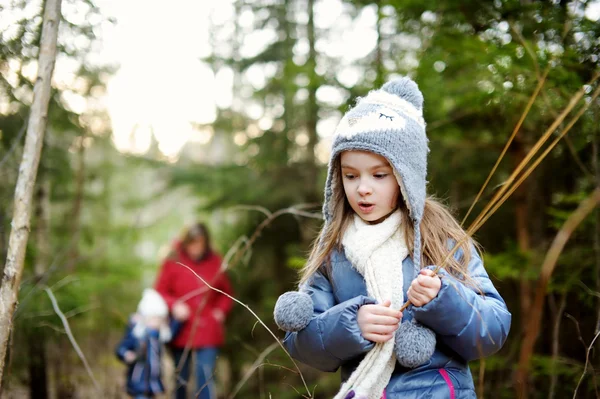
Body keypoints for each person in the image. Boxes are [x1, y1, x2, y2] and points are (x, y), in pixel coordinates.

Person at [280, 77, 512, 398]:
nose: (362, 187)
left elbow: (493, 330)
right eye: (350, 175)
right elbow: (300, 342)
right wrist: (350, 325)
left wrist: (443, 299)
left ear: (406, 175)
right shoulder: (335, 249)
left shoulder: (441, 238)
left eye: (378, 175)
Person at [154, 222, 233, 399]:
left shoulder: (215, 261)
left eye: (200, 243)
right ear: (185, 242)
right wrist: (174, 305)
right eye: (192, 243)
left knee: (205, 377)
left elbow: (227, 293)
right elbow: (159, 291)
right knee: (181, 379)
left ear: (206, 243)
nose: (196, 248)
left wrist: (220, 311)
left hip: (208, 330)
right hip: (180, 330)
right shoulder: (173, 260)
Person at [116, 288, 182, 399]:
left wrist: (178, 321)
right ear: (144, 318)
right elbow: (121, 348)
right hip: (139, 383)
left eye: (159, 319)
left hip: (154, 383)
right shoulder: (137, 336)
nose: (156, 323)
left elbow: (171, 334)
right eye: (153, 318)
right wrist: (126, 354)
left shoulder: (159, 337)